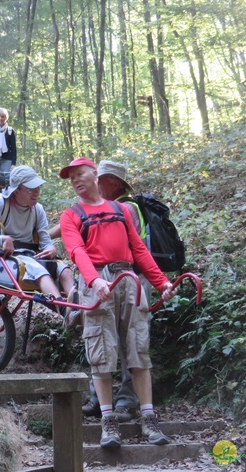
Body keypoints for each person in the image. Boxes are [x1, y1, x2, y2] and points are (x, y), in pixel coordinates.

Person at [58, 157, 177, 449]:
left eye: (79, 173)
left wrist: (161, 282)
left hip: (128, 280)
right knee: (101, 351)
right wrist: (94, 280)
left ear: (95, 174)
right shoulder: (70, 216)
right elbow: (76, 250)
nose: (75, 180)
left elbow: (138, 249)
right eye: (71, 177)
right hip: (96, 283)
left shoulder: (121, 209)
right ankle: (108, 423)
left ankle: (148, 418)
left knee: (138, 347)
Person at [80, 160, 146, 422]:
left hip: (129, 282)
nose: (97, 184)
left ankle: (127, 401)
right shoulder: (104, 208)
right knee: (101, 339)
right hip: (105, 281)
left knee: (130, 341)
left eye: (102, 179)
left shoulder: (126, 209)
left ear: (115, 183)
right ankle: (99, 398)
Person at [0, 165, 74, 302]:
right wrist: (2, 240)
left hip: (32, 255)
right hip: (8, 257)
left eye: (38, 187)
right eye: (30, 189)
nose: (36, 192)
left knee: (64, 270)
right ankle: (65, 312)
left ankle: (79, 312)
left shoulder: (38, 209)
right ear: (16, 191)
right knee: (42, 273)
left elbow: (45, 240)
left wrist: (50, 248)